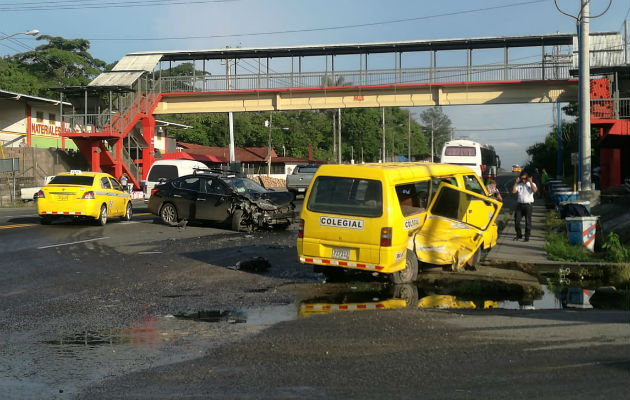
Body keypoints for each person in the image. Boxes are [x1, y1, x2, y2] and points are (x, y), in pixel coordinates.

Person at [511, 170, 537, 242]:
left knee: (528, 222)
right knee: (517, 221)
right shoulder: (519, 185)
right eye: (522, 178)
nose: (523, 180)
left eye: (525, 178)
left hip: (528, 205)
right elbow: (513, 191)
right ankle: (519, 235)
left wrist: (530, 182)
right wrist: (516, 182)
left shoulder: (532, 184)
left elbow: (534, 191)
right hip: (520, 205)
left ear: (527, 178)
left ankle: (527, 236)